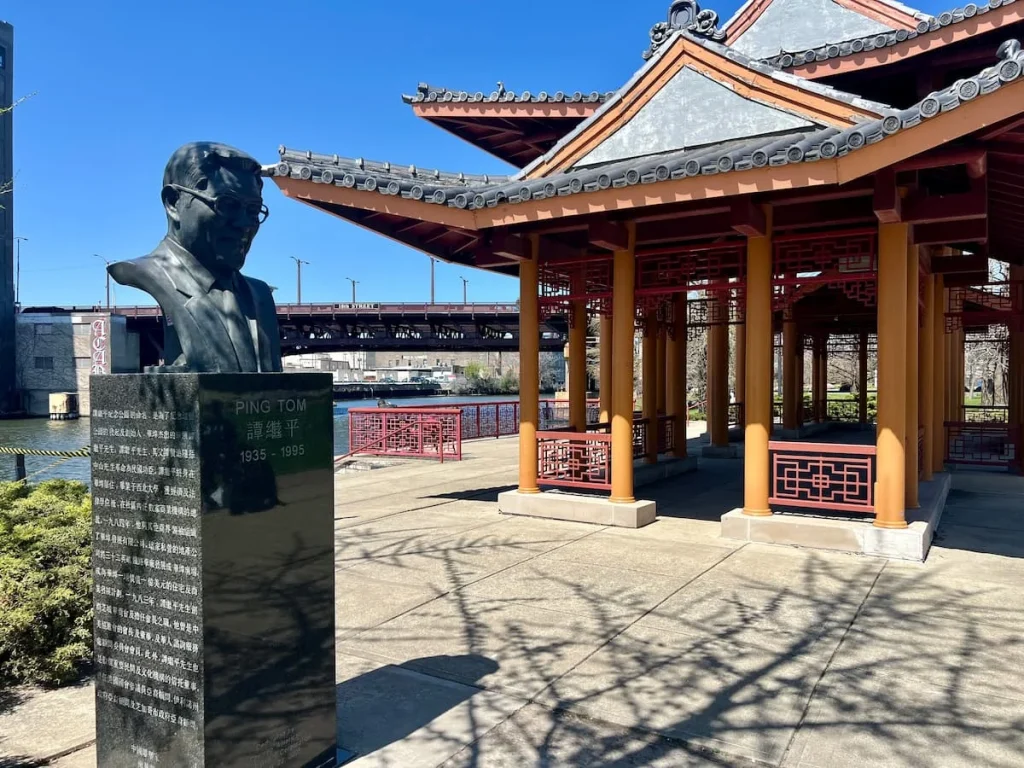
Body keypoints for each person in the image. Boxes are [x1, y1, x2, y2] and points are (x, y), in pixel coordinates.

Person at [108, 142, 283, 373]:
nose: (244, 225)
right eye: (226, 205)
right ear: (173, 203)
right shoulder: (146, 272)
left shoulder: (260, 296)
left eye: (253, 211)